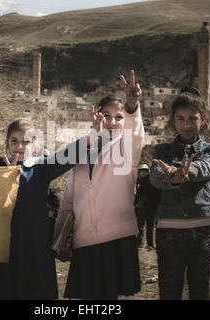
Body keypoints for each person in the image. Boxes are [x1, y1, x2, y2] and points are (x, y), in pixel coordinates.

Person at [0, 90, 97, 299]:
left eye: (25, 141)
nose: (19, 146)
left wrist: (94, 133)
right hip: (3, 246)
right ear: (7, 143)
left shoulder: (42, 169)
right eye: (14, 141)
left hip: (35, 246)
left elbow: (67, 155)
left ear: (35, 145)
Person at [55, 70, 144, 300]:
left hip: (116, 238)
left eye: (119, 116)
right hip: (84, 240)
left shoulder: (126, 151)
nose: (113, 122)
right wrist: (60, 236)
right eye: (107, 115)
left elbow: (135, 136)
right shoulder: (82, 152)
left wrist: (132, 105)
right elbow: (68, 199)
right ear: (97, 117)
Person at [149, 86, 210, 300]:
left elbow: (206, 168)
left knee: (202, 293)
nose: (187, 125)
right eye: (181, 119)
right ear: (174, 121)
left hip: (203, 232)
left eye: (193, 119)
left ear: (203, 121)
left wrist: (184, 172)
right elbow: (156, 177)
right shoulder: (161, 151)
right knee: (169, 293)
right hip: (168, 233)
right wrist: (171, 177)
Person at [134, 164, 161, 250]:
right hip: (144, 207)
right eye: (142, 171)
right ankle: (144, 243)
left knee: (152, 226)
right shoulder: (139, 181)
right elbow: (138, 194)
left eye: (145, 171)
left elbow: (153, 194)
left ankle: (151, 244)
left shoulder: (149, 180)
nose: (143, 172)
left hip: (152, 206)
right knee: (143, 225)